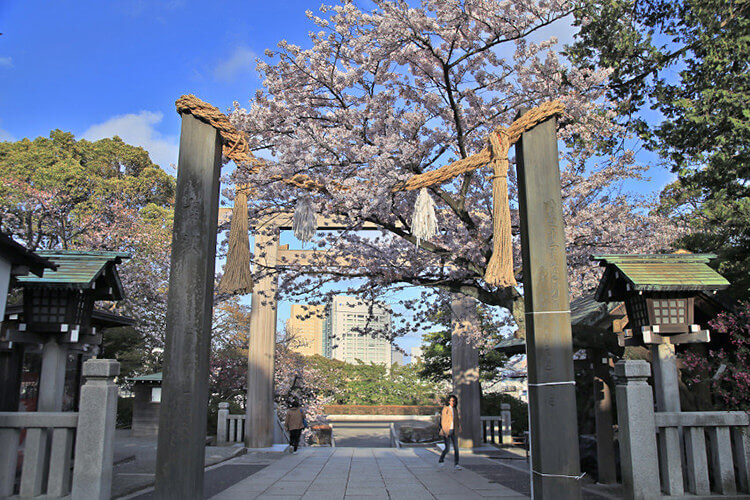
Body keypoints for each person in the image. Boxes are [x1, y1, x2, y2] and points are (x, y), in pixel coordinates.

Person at [438, 394, 462, 470]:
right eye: (451, 401)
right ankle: (441, 460)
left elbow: (457, 420)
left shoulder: (455, 409)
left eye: (454, 401)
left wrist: (459, 427)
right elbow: (443, 421)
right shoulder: (445, 409)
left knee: (456, 448)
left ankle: (456, 464)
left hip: (454, 430)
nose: (452, 402)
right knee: (447, 448)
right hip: (447, 431)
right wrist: (445, 431)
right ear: (448, 401)